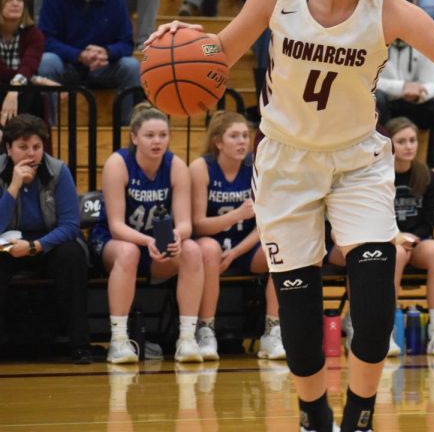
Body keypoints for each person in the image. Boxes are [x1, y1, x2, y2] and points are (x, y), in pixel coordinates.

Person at [145, 0, 434, 432]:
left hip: (357, 162)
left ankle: (359, 417)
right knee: (299, 316)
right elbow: (219, 54)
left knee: (376, 310)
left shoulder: (390, 8)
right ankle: (313, 416)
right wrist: (183, 44)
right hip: (287, 163)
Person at [89, 103, 204, 364]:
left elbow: (186, 224)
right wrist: (148, 240)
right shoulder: (118, 163)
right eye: (150, 135)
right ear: (134, 137)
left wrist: (176, 236)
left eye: (163, 135)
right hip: (113, 242)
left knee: (193, 250)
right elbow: (117, 226)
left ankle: (187, 339)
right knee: (128, 252)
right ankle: (118, 341)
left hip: (155, 247)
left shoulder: (176, 166)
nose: (157, 141)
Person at [189, 111, 284, 362]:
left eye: (245, 135)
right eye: (234, 136)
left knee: (280, 250)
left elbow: (264, 223)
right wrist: (236, 215)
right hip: (211, 244)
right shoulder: (201, 168)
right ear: (218, 142)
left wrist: (237, 252)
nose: (242, 141)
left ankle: (272, 331)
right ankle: (205, 330)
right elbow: (198, 225)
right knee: (208, 249)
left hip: (243, 246)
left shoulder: (256, 167)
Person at [0, 114, 89, 364]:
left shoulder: (59, 171)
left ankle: (79, 344)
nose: (31, 154)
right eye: (23, 147)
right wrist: (14, 186)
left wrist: (34, 246)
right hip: (6, 241)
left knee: (72, 256)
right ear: (8, 148)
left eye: (37, 147)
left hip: (48, 241)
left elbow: (71, 225)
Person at [36, 0, 140, 119]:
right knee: (47, 62)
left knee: (131, 66)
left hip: (103, 66)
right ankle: (49, 128)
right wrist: (79, 55)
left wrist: (107, 52)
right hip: (67, 64)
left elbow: (127, 42)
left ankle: (128, 128)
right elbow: (46, 39)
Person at [385, 117, 434, 355]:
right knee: (396, 254)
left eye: (412, 140)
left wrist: (414, 238)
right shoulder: (379, 175)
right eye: (401, 141)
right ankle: (387, 332)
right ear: (389, 145)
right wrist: (397, 237)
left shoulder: (426, 175)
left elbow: (428, 220)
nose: (409, 146)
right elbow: (376, 218)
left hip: (416, 240)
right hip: (388, 241)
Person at [375, 0, 434, 168]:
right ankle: (380, 163)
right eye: (393, 9)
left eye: (404, 8)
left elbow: (432, 84)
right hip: (386, 104)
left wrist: (421, 92)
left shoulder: (424, 38)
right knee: (375, 98)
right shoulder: (371, 37)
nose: (398, 15)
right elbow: (369, 81)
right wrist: (402, 88)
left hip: (414, 103)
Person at [0, 0, 48, 124]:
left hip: (21, 93)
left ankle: (23, 139)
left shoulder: (34, 34)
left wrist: (14, 90)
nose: (16, 3)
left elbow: (28, 66)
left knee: (31, 92)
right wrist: (36, 79)